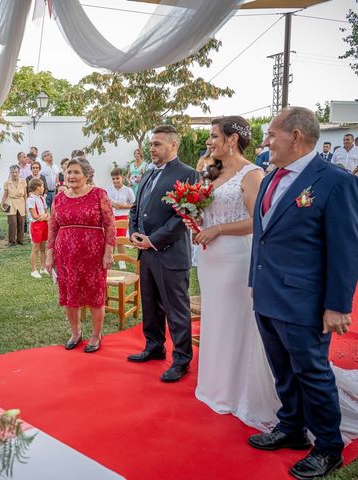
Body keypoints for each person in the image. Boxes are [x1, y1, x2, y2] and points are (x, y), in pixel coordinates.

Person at [248, 107, 358, 479]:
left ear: (295, 137)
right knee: (282, 370)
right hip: (268, 295)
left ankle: (329, 447)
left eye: (271, 135)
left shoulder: (335, 181)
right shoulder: (270, 178)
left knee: (312, 373)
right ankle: (291, 427)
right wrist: (254, 282)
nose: (266, 143)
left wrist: (338, 306)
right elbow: (262, 238)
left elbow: (345, 249)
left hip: (305, 301)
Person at [187, 117, 270, 427]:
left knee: (237, 319)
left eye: (213, 136)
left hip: (237, 257)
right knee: (217, 318)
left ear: (232, 139)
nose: (209, 142)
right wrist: (194, 218)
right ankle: (215, 385)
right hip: (210, 257)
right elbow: (207, 212)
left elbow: (257, 221)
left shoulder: (252, 174)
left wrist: (218, 228)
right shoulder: (213, 173)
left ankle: (239, 390)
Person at [127, 125, 199, 382]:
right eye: (151, 144)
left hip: (170, 253)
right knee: (150, 304)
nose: (152, 148)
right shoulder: (147, 173)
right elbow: (137, 208)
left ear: (173, 145)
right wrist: (133, 232)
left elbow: (184, 216)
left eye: (157, 144)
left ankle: (181, 358)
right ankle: (154, 345)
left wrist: (153, 240)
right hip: (146, 254)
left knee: (175, 308)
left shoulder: (189, 175)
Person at [45, 157, 116, 353]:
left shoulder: (98, 194)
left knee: (95, 293)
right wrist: (49, 255)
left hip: (93, 254)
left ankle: (96, 334)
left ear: (86, 174)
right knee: (70, 294)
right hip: (65, 255)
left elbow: (110, 225)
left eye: (76, 172)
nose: (71, 176)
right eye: (68, 172)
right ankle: (75, 332)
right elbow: (52, 227)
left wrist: (108, 253)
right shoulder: (59, 198)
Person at [105, 167, 135, 269]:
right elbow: (105, 201)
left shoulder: (128, 190)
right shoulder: (108, 189)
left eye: (117, 178)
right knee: (110, 238)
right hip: (110, 216)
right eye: (113, 179)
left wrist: (123, 206)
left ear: (122, 178)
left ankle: (122, 261)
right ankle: (110, 258)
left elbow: (133, 204)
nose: (115, 181)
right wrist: (113, 204)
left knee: (120, 239)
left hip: (122, 216)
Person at [27, 179, 49, 278]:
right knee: (35, 248)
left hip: (44, 224)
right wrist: (44, 216)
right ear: (37, 187)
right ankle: (33, 270)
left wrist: (45, 216)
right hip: (36, 226)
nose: (43, 188)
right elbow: (35, 216)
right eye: (42, 186)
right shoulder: (30, 199)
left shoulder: (42, 199)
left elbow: (45, 212)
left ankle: (43, 268)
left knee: (43, 247)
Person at [1, 165, 27, 246]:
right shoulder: (7, 183)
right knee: (12, 223)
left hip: (21, 203)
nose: (14, 174)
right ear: (10, 173)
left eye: (16, 172)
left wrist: (26, 205)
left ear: (19, 173)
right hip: (11, 203)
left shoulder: (23, 182)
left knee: (21, 222)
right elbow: (5, 195)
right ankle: (11, 241)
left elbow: (25, 195)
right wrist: (2, 204)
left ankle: (20, 240)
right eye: (13, 172)